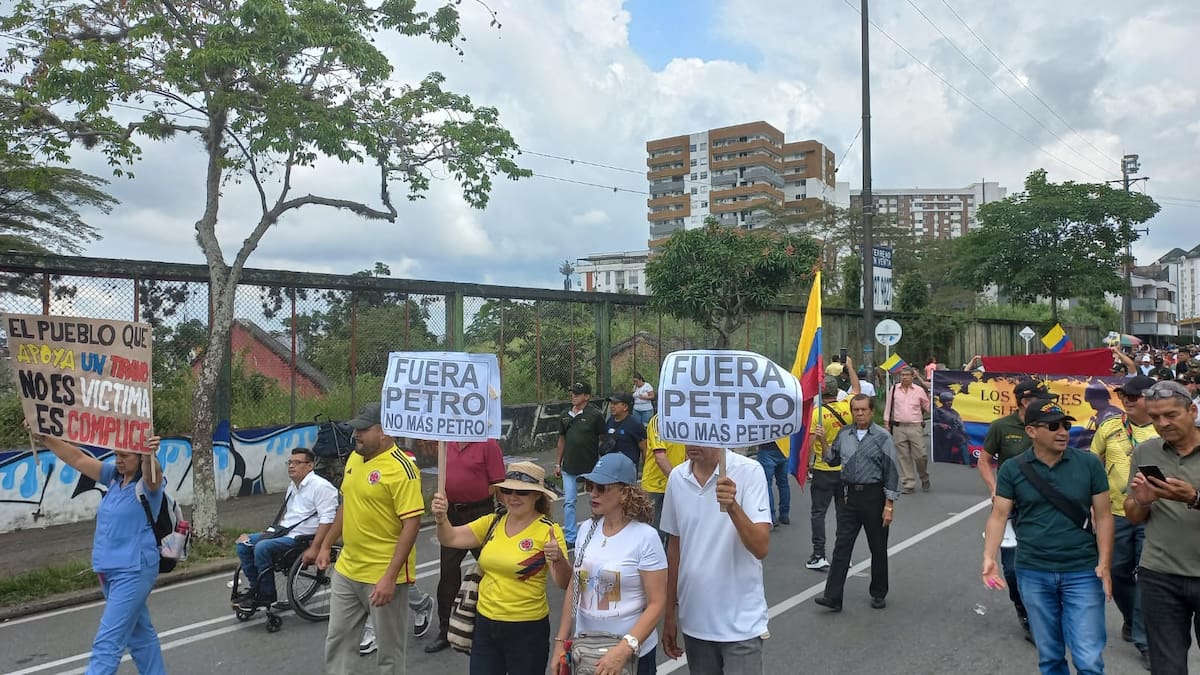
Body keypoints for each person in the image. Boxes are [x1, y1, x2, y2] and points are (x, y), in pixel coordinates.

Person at [981, 399, 1113, 675]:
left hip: (1082, 570)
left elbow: (1103, 516)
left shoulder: (1089, 464)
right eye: (1053, 427)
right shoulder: (1013, 469)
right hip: (1033, 570)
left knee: (1088, 659)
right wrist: (989, 557)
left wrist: (1105, 563)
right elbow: (999, 515)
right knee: (1050, 656)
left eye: (1066, 425)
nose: (1063, 432)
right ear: (1031, 431)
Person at [29, 429, 166, 675]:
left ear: (139, 456)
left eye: (125, 455)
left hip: (134, 569)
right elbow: (77, 459)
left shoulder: (149, 483)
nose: (119, 460)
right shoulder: (112, 476)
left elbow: (151, 473)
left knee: (107, 643)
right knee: (139, 634)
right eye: (116, 454)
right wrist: (44, 437)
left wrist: (149, 455)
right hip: (108, 569)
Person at [430, 461, 570, 675]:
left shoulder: (547, 531)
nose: (513, 497)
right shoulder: (492, 522)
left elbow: (564, 583)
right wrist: (441, 519)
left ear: (536, 496)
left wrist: (558, 558)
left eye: (522, 492)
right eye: (507, 490)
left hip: (526, 629)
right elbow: (450, 538)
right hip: (485, 624)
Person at [318, 402, 424, 675]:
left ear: (385, 431)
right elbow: (347, 504)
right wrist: (327, 543)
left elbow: (411, 524)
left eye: (364, 429)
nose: (357, 435)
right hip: (348, 569)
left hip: (382, 574)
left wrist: (390, 577)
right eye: (356, 429)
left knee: (389, 652)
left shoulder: (403, 469)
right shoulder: (354, 458)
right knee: (338, 641)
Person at [552, 454, 668, 675]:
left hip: (632, 656)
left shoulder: (645, 537)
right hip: (587, 651)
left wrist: (624, 649)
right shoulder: (586, 530)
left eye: (602, 488)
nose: (593, 493)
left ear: (624, 493)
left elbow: (657, 603)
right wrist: (560, 640)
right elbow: (574, 587)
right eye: (589, 485)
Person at [661, 444, 771, 674]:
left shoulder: (749, 471)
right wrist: (669, 615)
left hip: (741, 625)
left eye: (699, 435)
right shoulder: (677, 478)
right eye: (687, 435)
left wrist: (732, 507)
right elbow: (675, 549)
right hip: (695, 622)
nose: (691, 443)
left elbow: (761, 547)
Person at [1124, 380, 1200, 674]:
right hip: (1160, 574)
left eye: (1170, 415)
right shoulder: (1145, 452)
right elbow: (1133, 515)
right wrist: (1141, 502)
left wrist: (1194, 498)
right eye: (1155, 417)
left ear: (1191, 410)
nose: (1162, 423)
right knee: (1167, 666)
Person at [1090, 375, 1158, 669]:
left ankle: (1145, 641)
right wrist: (1091, 506)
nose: (1127, 400)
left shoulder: (1162, 430)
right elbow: (1093, 465)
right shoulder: (1109, 427)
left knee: (1146, 575)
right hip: (1115, 514)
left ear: (1150, 399)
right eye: (1124, 395)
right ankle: (1132, 618)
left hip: (1152, 515)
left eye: (1134, 396)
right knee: (1115, 572)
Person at [978, 378, 1053, 644]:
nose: (1047, 403)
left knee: (1043, 563)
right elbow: (984, 461)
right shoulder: (1002, 427)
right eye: (1042, 398)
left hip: (1044, 508)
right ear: (1025, 402)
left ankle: (1041, 617)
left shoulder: (1049, 425)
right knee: (1011, 568)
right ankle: (1023, 609)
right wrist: (995, 488)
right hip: (1010, 507)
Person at [815, 394, 900, 612]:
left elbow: (891, 472)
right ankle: (832, 597)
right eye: (856, 410)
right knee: (842, 546)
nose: (860, 413)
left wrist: (889, 505)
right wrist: (823, 440)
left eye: (863, 410)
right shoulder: (845, 434)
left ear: (871, 411)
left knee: (877, 547)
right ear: (851, 411)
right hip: (848, 497)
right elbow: (831, 459)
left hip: (874, 497)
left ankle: (879, 592)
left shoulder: (883, 437)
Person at [423, 437, 505, 654]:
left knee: (493, 570)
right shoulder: (446, 441)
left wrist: (506, 516)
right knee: (448, 575)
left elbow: (498, 482)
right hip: (452, 514)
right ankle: (446, 631)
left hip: (481, 512)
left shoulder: (487, 443)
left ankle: (497, 625)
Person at [234, 447, 338, 611]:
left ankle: (267, 595)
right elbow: (288, 518)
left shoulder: (321, 487)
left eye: (297, 463)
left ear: (310, 466)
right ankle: (256, 589)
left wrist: (316, 547)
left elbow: (328, 519)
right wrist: (266, 534)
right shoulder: (292, 487)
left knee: (262, 547)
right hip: (285, 532)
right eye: (290, 462)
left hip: (303, 538)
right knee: (243, 543)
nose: (291, 466)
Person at [807, 375, 854, 571]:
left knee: (819, 513)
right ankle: (843, 555)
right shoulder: (849, 409)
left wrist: (808, 462)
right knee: (843, 514)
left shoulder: (817, 414)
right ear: (836, 392)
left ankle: (819, 554)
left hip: (823, 469)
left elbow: (811, 442)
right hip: (845, 469)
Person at [555, 381, 607, 547]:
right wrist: (558, 463)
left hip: (590, 467)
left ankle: (597, 531)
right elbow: (561, 440)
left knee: (595, 499)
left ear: (587, 396)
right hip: (569, 467)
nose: (574, 396)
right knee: (569, 501)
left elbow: (602, 439)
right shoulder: (564, 415)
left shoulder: (595, 415)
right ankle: (571, 537)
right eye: (572, 393)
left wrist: (601, 461)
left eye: (577, 393)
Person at [884, 366, 931, 493]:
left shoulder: (919, 390)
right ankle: (908, 483)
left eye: (907, 375)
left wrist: (935, 403)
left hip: (915, 427)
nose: (904, 377)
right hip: (899, 427)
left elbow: (927, 406)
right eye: (902, 375)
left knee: (921, 455)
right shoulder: (894, 390)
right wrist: (886, 422)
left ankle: (924, 476)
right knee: (903, 456)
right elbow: (889, 406)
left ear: (912, 376)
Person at [643, 412, 687, 543]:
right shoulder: (658, 421)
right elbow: (660, 457)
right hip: (655, 487)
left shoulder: (685, 420)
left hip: (678, 484)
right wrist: (678, 481)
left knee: (675, 535)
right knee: (654, 534)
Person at [604, 392, 648, 469]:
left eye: (615, 404)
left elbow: (644, 449)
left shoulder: (635, 424)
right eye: (611, 403)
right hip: (610, 467)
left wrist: (646, 469)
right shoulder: (609, 421)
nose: (612, 406)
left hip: (628, 469)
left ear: (625, 407)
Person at [931, 391, 972, 466]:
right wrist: (940, 425)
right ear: (942, 401)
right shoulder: (937, 411)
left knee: (963, 443)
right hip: (942, 437)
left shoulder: (954, 412)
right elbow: (932, 424)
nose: (949, 402)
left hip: (954, 435)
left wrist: (965, 434)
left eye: (950, 400)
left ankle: (967, 463)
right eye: (947, 401)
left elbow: (960, 424)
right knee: (944, 458)